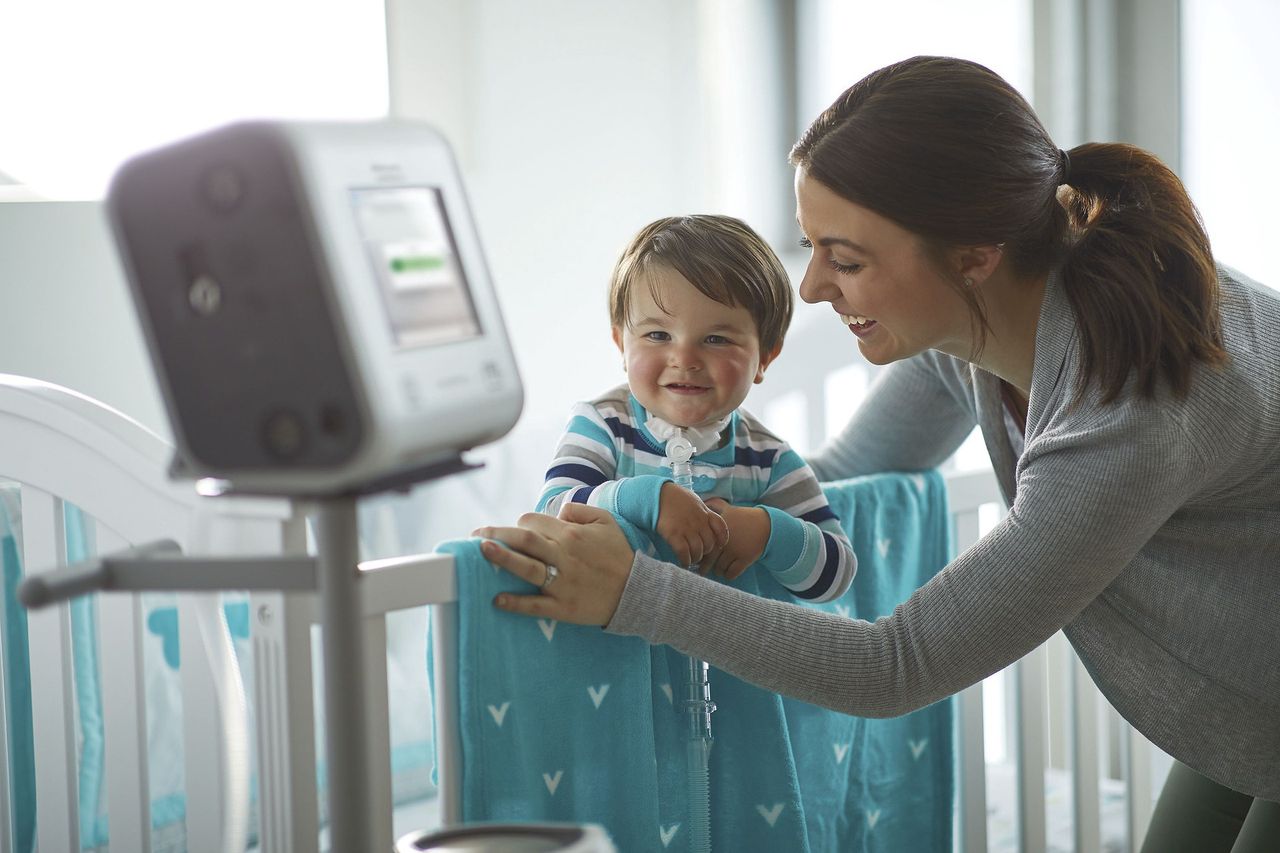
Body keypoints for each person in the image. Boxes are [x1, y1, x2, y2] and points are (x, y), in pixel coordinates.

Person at [472, 56, 1280, 849]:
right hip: (1247, 707)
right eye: (813, 246)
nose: (814, 287)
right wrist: (665, 495)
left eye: (846, 259)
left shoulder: (1128, 414)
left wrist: (634, 591)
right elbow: (831, 481)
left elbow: (897, 664)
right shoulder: (974, 327)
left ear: (973, 253)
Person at [536, 214, 855, 601]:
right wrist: (647, 499)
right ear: (622, 345)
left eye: (716, 339)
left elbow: (837, 574)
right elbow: (551, 514)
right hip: (624, 655)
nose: (684, 358)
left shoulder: (766, 458)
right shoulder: (602, 425)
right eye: (657, 335)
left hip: (729, 656)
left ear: (765, 357)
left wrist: (767, 532)